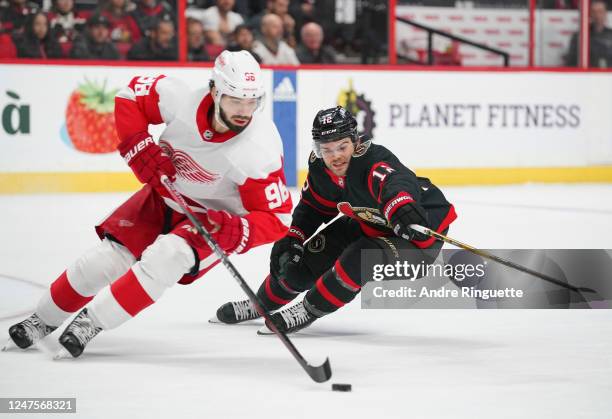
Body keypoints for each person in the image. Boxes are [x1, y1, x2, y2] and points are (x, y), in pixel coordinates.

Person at [5, 50, 292, 358]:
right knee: (107, 259)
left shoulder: (258, 147)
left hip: (213, 220)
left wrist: (238, 231)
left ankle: (92, 322)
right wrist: (137, 144)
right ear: (214, 91)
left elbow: (276, 218)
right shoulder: (181, 98)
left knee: (165, 258)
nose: (244, 111)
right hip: (164, 197)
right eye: (236, 100)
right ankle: (42, 319)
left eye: (252, 102)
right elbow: (130, 96)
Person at [211, 106, 457, 334]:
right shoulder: (321, 169)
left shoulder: (373, 161)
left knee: (361, 256)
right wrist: (293, 237)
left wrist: (401, 206)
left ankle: (307, 310)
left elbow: (396, 182)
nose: (335, 157)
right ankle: (260, 304)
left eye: (342, 147)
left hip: (416, 243)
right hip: (368, 225)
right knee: (296, 265)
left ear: (356, 142)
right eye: (326, 149)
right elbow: (311, 208)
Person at [566, 0, 612, 67]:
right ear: (590, 14)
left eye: (600, 11)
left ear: (605, 14)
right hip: (587, 75)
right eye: (594, 12)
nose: (597, 15)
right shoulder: (579, 36)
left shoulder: (610, 34)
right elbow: (571, 62)